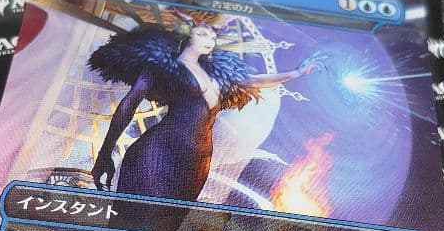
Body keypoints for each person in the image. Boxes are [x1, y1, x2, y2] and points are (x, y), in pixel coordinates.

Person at [88, 20, 322, 203]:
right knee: (130, 225)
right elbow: (129, 104)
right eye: (202, 34)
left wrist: (297, 73)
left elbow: (254, 80)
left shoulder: (220, 74)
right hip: (158, 153)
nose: (209, 40)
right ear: (186, 36)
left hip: (196, 164)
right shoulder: (161, 65)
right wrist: (105, 152)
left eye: (212, 36)